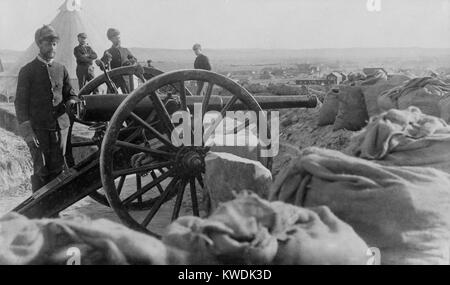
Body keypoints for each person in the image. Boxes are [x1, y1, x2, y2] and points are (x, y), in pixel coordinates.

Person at [15, 25, 80, 192]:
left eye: (55, 44)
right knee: (41, 171)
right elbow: (20, 104)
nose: (52, 47)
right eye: (48, 43)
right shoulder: (27, 71)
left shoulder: (61, 68)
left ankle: (55, 212)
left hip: (61, 128)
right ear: (39, 44)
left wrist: (72, 102)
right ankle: (39, 212)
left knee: (58, 170)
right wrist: (29, 133)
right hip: (39, 130)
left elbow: (71, 94)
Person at [101, 28, 137, 93]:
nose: (118, 38)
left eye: (118, 37)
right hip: (113, 79)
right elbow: (102, 66)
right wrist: (102, 62)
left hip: (126, 79)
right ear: (110, 39)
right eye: (115, 37)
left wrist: (130, 63)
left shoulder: (125, 50)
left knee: (128, 96)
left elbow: (134, 62)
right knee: (109, 97)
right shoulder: (108, 52)